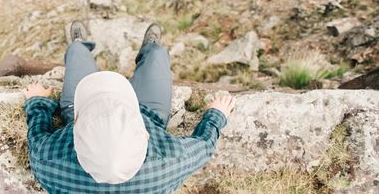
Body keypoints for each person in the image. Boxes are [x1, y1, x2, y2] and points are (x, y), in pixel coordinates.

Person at [23, 20, 235, 193]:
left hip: (75, 110)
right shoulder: (170, 161)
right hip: (148, 112)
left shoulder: (48, 160)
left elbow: (38, 133)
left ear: (76, 141)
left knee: (76, 53)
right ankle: (150, 47)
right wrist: (216, 115)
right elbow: (205, 145)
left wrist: (37, 102)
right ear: (145, 136)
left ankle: (80, 44)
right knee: (158, 57)